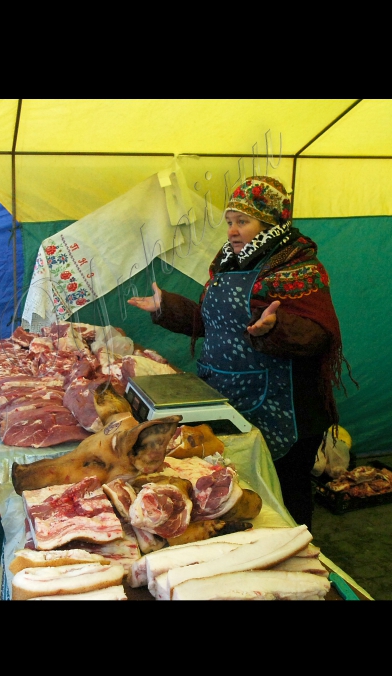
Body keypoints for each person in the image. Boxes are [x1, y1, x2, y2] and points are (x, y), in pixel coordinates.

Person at [128, 175, 355, 531]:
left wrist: (275, 329)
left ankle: (300, 557)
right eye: (230, 222)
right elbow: (210, 323)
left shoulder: (299, 268)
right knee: (243, 496)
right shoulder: (227, 265)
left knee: (286, 497)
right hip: (231, 398)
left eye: (243, 222)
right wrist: (165, 307)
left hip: (286, 408)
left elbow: (318, 337)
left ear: (271, 224)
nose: (233, 231)